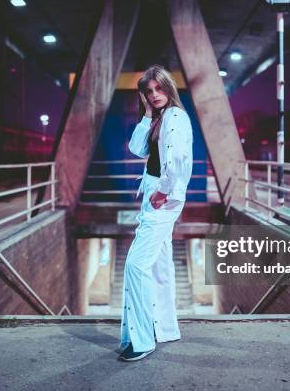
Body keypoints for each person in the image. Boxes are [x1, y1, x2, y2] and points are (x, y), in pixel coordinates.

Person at [118, 65, 193, 362]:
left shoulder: (175, 117)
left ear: (169, 88)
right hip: (157, 195)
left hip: (163, 199)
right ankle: (165, 329)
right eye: (149, 92)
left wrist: (163, 191)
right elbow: (136, 149)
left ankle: (142, 340)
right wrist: (147, 113)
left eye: (159, 89)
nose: (154, 95)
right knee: (160, 267)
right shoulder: (159, 117)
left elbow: (176, 160)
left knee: (136, 265)